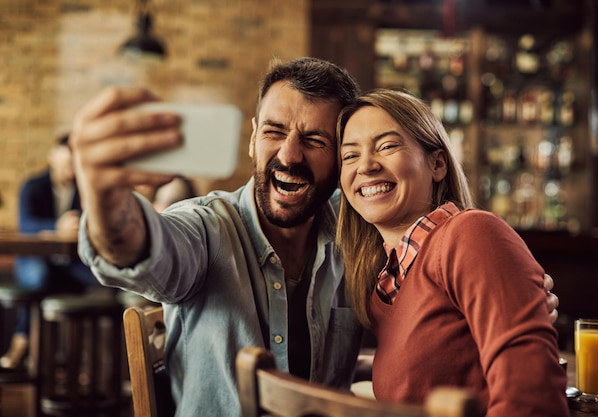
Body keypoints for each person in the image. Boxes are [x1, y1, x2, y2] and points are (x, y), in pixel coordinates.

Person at [69, 58, 559, 416]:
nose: (290, 155)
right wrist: (106, 200)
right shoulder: (207, 226)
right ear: (253, 137)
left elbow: (425, 334)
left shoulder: (361, 245)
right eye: (274, 132)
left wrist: (506, 301)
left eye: (317, 141)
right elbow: (139, 248)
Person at [335, 89, 569, 416]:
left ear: (438, 164)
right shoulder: (388, 279)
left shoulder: (470, 234)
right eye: (349, 156)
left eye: (387, 146)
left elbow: (533, 398)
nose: (366, 166)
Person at [0, 134, 99, 369]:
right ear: (52, 158)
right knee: (42, 278)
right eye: (66, 163)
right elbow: (26, 224)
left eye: (74, 164)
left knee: (101, 279)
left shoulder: (84, 189)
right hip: (34, 259)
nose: (70, 169)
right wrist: (57, 226)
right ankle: (34, 345)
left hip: (69, 262)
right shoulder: (33, 186)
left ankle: (42, 350)